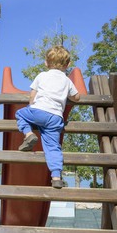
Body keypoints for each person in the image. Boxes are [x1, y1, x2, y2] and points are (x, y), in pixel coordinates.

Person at [15, 45, 80, 189]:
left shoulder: (42, 75)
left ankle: (29, 134)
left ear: (46, 63)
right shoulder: (67, 81)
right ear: (68, 64)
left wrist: (32, 107)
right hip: (56, 117)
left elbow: (32, 96)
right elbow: (77, 97)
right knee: (53, 147)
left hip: (38, 111)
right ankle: (56, 177)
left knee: (20, 114)